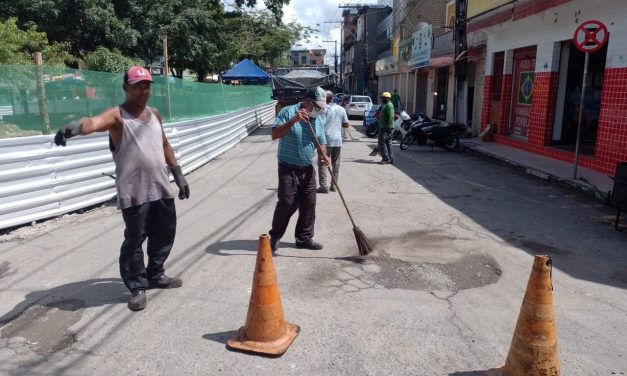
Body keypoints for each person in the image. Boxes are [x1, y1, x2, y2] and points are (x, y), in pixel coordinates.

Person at [53, 66, 190, 312]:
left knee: (164, 234)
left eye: (146, 85)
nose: (142, 90)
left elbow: (165, 144)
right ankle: (137, 286)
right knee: (135, 240)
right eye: (137, 86)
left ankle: (155, 273)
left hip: (160, 187)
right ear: (126, 88)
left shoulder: (155, 114)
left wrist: (178, 175)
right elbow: (94, 122)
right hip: (134, 191)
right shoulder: (118, 116)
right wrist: (75, 127)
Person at [269, 86, 331, 253]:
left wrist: (324, 155)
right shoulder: (288, 112)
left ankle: (303, 238)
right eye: (316, 106)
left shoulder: (317, 119)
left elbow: (321, 140)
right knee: (287, 203)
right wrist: (293, 121)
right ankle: (275, 235)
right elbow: (274, 134)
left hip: (307, 168)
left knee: (309, 204)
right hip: (287, 167)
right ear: (307, 101)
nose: (318, 110)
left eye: (320, 107)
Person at [317, 91, 349, 194]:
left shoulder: (324, 109)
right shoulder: (341, 109)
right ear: (333, 98)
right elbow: (346, 125)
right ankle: (334, 185)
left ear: (326, 99)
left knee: (323, 163)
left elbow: (320, 124)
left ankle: (323, 186)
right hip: (337, 140)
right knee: (336, 163)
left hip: (325, 140)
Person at [377, 91, 395, 164]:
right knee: (388, 142)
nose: (382, 99)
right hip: (384, 126)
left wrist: (389, 127)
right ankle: (390, 158)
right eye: (382, 98)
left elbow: (391, 116)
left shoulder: (389, 105)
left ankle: (385, 158)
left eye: (383, 98)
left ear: (387, 98)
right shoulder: (386, 105)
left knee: (382, 142)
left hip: (386, 127)